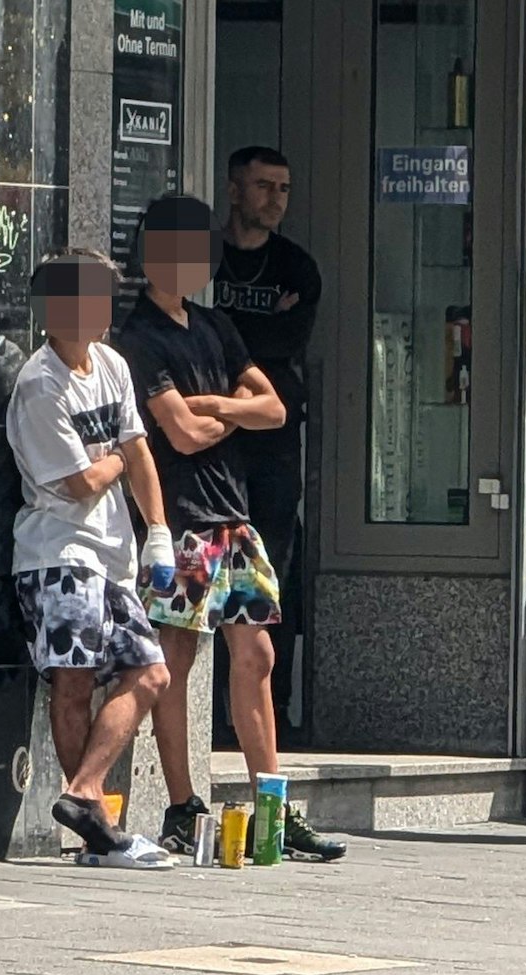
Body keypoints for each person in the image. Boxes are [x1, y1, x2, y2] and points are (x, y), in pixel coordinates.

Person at [116, 193, 346, 863]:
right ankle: (184, 804)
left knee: (259, 656)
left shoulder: (216, 326)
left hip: (234, 519)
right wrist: (228, 415)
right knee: (176, 661)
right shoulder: (137, 338)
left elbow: (273, 407)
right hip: (184, 519)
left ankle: (272, 804)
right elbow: (180, 436)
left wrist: (217, 404)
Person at [8, 249, 177, 869]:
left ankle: (82, 794)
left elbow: (139, 454)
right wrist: (114, 459)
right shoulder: (39, 383)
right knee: (73, 681)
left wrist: (157, 529)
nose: (93, 312)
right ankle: (97, 836)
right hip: (57, 553)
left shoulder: (111, 364)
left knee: (150, 673)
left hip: (114, 554)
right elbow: (79, 482)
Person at [212, 146, 321, 738]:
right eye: (263, 187)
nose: (275, 199)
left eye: (283, 189)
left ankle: (267, 713)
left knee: (268, 574)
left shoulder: (297, 268)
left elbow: (282, 341)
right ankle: (212, 714)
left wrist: (228, 336)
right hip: (212, 442)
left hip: (274, 444)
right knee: (208, 574)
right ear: (234, 191)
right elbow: (202, 331)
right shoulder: (206, 259)